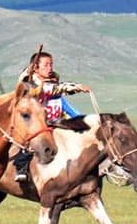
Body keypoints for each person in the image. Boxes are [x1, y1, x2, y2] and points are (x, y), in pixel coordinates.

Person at [14, 50, 90, 181]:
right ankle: (21, 169)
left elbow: (60, 92)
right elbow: (25, 78)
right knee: (29, 143)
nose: (50, 68)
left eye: (51, 65)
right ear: (36, 68)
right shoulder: (30, 84)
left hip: (56, 121)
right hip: (37, 122)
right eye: (46, 65)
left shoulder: (52, 88)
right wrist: (76, 87)